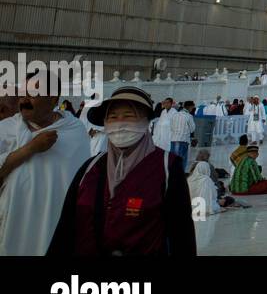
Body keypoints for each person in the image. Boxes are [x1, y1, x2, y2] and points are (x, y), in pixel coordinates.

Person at [47, 86, 196, 256]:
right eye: (112, 117)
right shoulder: (90, 168)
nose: (120, 123)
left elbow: (182, 236)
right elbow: (65, 229)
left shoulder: (167, 168)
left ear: (145, 121)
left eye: (129, 116)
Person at [0, 84, 91, 255]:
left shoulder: (75, 131)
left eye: (32, 94)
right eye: (22, 95)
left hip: (55, 222)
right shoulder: (6, 129)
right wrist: (30, 148)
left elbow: (82, 184)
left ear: (53, 99)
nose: (24, 100)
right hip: (14, 223)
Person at [169, 102, 195, 168]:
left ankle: (171, 174)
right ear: (190, 107)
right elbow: (192, 129)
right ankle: (180, 175)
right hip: (183, 140)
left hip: (173, 140)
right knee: (182, 159)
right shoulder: (189, 116)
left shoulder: (174, 115)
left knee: (173, 158)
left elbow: (171, 126)